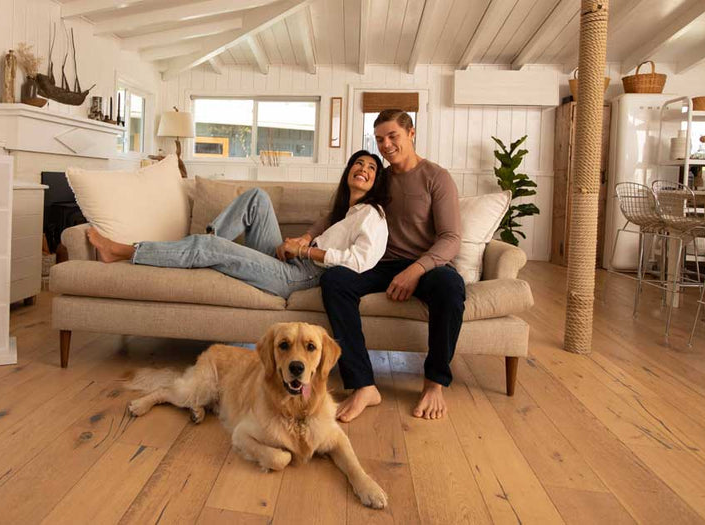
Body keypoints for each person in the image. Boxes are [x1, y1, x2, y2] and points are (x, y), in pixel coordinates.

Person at [293, 109, 464, 422]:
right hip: (380, 263)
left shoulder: (437, 178)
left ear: (411, 134)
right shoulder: (379, 178)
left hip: (426, 267)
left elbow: (451, 239)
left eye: (392, 136)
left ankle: (434, 383)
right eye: (380, 138)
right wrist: (306, 237)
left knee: (451, 288)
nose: (385, 145)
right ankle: (363, 385)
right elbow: (339, 214)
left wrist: (415, 271)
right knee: (335, 281)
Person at [87, 150, 391, 301]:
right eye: (358, 163)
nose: (363, 169)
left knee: (207, 248)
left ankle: (122, 251)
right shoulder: (347, 211)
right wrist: (302, 242)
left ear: (377, 180)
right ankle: (206, 245)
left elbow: (360, 262)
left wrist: (305, 253)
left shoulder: (372, 216)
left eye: (371, 167)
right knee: (257, 198)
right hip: (293, 261)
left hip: (299, 277)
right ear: (349, 170)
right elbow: (322, 230)